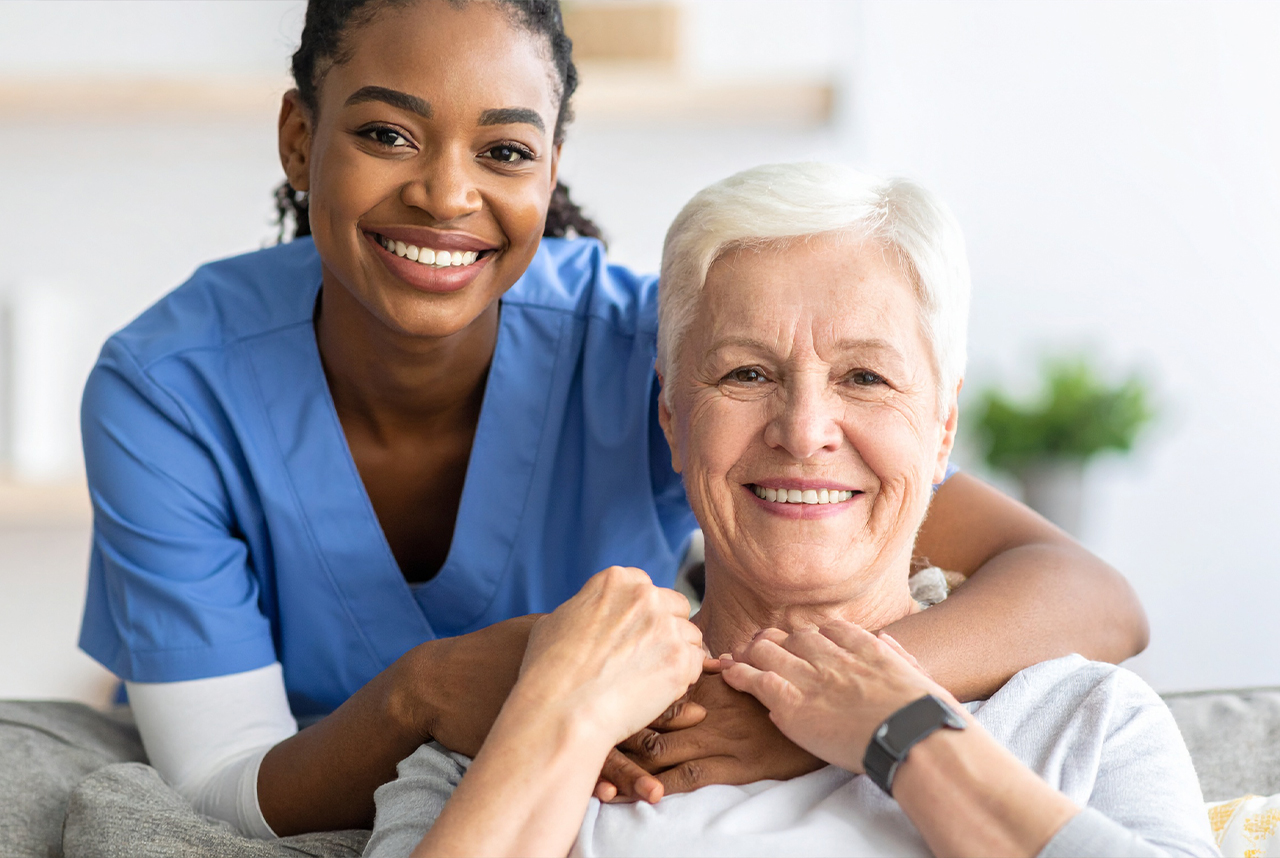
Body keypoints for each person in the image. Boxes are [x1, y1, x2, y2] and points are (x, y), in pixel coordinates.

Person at [74, 0, 1147, 841]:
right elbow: (217, 787)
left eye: (503, 151)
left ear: (549, 168)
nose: (447, 195)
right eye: (387, 133)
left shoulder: (664, 352)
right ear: (299, 137)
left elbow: (1080, 591)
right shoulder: (169, 389)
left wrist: (815, 713)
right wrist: (426, 696)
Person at [363, 163, 1217, 858]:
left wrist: (906, 735)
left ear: (943, 426)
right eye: (746, 374)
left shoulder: (1084, 717)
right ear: (671, 418)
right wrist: (557, 717)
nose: (804, 432)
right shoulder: (510, 735)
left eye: (865, 378)